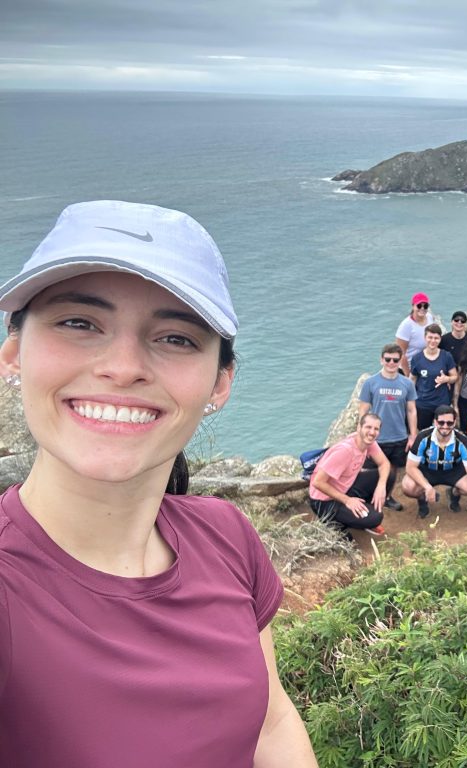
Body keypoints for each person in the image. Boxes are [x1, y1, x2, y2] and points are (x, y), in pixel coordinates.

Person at [0, 200, 318, 766]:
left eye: (175, 338)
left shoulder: (227, 536)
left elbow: (271, 723)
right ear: (14, 352)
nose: (123, 367)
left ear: (221, 383)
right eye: (79, 322)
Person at [402, 405, 467, 525]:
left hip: (453, 471)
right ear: (435, 422)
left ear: (454, 423)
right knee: (408, 486)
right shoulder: (423, 437)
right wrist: (427, 486)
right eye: (441, 422)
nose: (445, 426)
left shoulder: (463, 441)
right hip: (427, 471)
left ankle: (454, 493)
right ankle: (422, 500)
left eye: (449, 423)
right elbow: (410, 467)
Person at [358, 343, 417, 511]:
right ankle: (367, 499)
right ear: (381, 360)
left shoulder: (407, 384)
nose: (391, 363)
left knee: (392, 470)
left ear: (400, 361)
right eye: (388, 359)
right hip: (374, 437)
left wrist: (412, 435)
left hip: (398, 436)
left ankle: (388, 497)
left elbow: (411, 410)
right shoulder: (370, 383)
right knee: (369, 471)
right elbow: (363, 410)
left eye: (395, 360)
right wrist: (361, 434)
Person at [308, 412, 390, 535]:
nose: (372, 432)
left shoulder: (369, 442)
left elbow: (384, 463)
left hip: (344, 487)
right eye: (368, 427)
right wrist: (347, 501)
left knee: (389, 476)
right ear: (359, 427)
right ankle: (337, 522)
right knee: (375, 518)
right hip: (324, 501)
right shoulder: (345, 451)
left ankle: (362, 510)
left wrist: (381, 486)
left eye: (376, 429)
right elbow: (318, 482)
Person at [409, 323, 457, 430]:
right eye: (430, 337)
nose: (433, 341)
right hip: (422, 403)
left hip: (442, 403)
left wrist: (446, 379)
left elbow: (455, 376)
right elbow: (412, 380)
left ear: (440, 339)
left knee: (443, 430)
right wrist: (410, 399)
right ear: (425, 338)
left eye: (436, 338)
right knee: (423, 431)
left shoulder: (446, 356)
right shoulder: (417, 358)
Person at [394, 291, 434, 376]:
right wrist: (408, 375)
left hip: (425, 365)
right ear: (413, 306)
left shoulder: (429, 318)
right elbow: (401, 354)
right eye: (419, 305)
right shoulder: (406, 326)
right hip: (409, 369)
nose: (422, 308)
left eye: (425, 306)